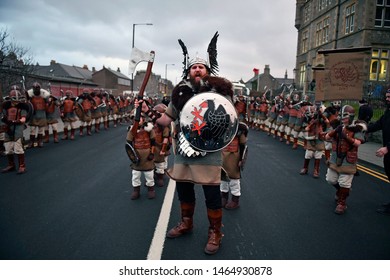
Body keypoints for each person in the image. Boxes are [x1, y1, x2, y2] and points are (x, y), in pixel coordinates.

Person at [135, 32, 232, 255]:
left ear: (207, 71)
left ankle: (215, 232)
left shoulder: (219, 92)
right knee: (184, 189)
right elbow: (166, 119)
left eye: (201, 67)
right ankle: (186, 223)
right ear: (188, 71)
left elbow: (229, 119)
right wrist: (149, 110)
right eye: (194, 67)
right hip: (185, 149)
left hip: (209, 149)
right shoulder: (179, 92)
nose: (197, 69)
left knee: (212, 194)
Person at [325, 105, 366, 215]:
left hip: (348, 159)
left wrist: (346, 136)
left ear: (351, 116)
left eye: (346, 116)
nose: (343, 118)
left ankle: (342, 203)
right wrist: (335, 131)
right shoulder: (337, 125)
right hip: (335, 157)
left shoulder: (357, 127)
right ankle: (341, 191)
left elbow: (358, 143)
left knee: (344, 183)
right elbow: (326, 138)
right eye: (342, 115)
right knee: (330, 179)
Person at [367, 90, 390, 215]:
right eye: (386, 97)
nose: (387, 99)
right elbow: (378, 124)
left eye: (389, 97)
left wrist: (387, 148)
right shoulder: (388, 112)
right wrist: (364, 128)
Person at [126, 111, 156, 199]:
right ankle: (136, 190)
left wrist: (152, 153)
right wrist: (133, 157)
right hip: (137, 156)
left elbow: (153, 142)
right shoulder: (132, 131)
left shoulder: (149, 129)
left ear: (144, 119)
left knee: (149, 174)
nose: (138, 121)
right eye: (136, 119)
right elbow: (128, 144)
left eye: (140, 119)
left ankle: (151, 189)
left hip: (147, 156)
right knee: (136, 174)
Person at [220, 122, 248, 209]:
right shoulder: (220, 125)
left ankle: (235, 201)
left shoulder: (239, 127)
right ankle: (223, 198)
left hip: (234, 156)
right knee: (222, 177)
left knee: (234, 179)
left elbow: (243, 145)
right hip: (222, 155)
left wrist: (241, 160)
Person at [1, 86, 28, 174]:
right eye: (14, 100)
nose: (16, 102)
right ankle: (11, 165)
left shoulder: (22, 107)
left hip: (18, 127)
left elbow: (23, 119)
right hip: (8, 128)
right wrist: (4, 125)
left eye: (17, 100)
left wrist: (14, 121)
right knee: (8, 148)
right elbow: (3, 118)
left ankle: (22, 166)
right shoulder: (6, 107)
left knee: (18, 148)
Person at [152, 103, 171, 188]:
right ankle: (153, 176)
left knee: (161, 163)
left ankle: (160, 176)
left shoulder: (165, 126)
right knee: (151, 162)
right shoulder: (150, 125)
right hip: (153, 147)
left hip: (161, 147)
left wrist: (163, 149)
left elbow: (166, 137)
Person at [27, 82, 48, 148]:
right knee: (32, 129)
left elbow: (49, 103)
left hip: (42, 114)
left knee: (40, 130)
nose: (36, 89)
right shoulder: (30, 98)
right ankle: (31, 142)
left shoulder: (44, 97)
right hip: (34, 115)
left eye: (37, 88)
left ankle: (40, 141)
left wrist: (49, 99)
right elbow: (28, 105)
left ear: (39, 89)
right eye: (35, 88)